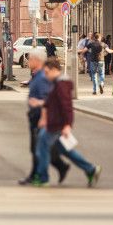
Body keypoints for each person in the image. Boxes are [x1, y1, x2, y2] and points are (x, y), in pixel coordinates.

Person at [33, 57, 101, 188]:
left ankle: (43, 178)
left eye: (47, 72)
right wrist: (43, 118)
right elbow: (49, 103)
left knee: (42, 146)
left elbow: (67, 106)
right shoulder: (56, 83)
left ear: (54, 70)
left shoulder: (61, 84)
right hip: (54, 123)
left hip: (56, 124)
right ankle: (91, 169)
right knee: (66, 151)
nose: (46, 76)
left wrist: (67, 125)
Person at [19, 49, 70, 186]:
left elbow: (46, 100)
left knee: (39, 148)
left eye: (29, 59)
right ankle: (57, 168)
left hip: (39, 117)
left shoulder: (42, 77)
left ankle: (39, 175)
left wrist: (43, 118)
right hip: (36, 116)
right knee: (42, 148)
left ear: (37, 60)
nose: (28, 61)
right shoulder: (37, 75)